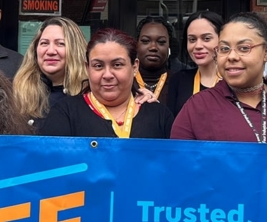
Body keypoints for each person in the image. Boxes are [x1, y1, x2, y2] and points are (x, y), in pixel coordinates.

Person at [171, 12, 267, 143]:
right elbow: (179, 165)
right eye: (224, 49)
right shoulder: (197, 107)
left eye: (244, 48)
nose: (232, 56)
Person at [40, 28, 174, 139]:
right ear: (87, 68)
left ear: (134, 67)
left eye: (117, 65)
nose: (107, 75)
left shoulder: (159, 116)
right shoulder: (65, 113)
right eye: (98, 66)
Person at [12, 17, 88, 131]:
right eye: (44, 43)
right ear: (35, 50)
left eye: (60, 44)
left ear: (76, 50)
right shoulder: (19, 95)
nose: (51, 51)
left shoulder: (90, 95)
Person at [165, 11, 223, 116]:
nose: (198, 46)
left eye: (206, 38)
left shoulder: (234, 80)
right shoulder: (178, 80)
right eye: (192, 39)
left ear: (222, 40)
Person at [135, 16, 174, 103]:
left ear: (169, 46)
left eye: (161, 42)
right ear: (136, 45)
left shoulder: (179, 84)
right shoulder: (124, 82)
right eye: (145, 41)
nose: (153, 47)